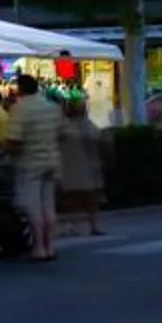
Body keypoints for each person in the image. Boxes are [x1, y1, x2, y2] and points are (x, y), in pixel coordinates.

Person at [5, 75, 63, 260]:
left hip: (29, 163)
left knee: (33, 207)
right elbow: (62, 133)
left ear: (20, 88)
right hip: (51, 161)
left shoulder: (20, 109)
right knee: (48, 206)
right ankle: (51, 247)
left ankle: (38, 247)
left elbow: (14, 140)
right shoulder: (52, 108)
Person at [56, 94, 108, 238]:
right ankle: (88, 226)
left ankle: (77, 226)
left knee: (77, 199)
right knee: (83, 198)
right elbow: (100, 141)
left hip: (76, 166)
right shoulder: (78, 126)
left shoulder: (68, 126)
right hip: (81, 166)